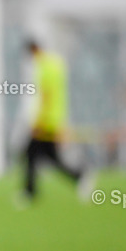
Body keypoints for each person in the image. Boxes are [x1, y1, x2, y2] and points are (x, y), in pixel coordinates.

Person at [22, 40, 91, 201]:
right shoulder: (55, 64)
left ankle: (30, 192)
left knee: (32, 154)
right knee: (48, 157)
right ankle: (78, 176)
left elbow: (46, 97)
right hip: (54, 119)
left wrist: (39, 121)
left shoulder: (44, 68)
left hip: (46, 122)